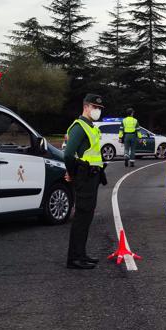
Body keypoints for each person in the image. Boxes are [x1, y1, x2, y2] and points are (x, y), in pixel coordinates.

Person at [63, 94, 107, 269]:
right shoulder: (79, 127)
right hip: (84, 178)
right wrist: (72, 173)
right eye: (95, 108)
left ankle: (81, 254)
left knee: (87, 217)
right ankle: (74, 258)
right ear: (86, 107)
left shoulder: (91, 127)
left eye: (99, 109)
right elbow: (68, 154)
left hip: (92, 177)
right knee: (81, 218)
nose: (97, 111)